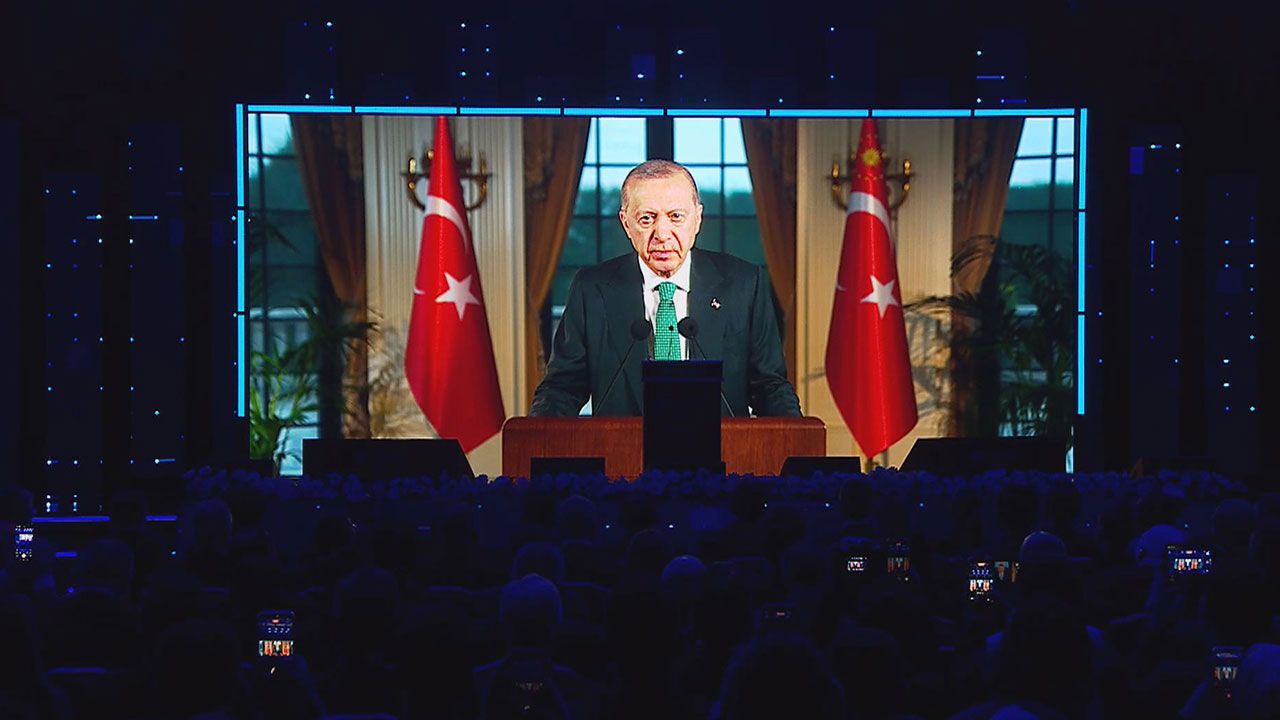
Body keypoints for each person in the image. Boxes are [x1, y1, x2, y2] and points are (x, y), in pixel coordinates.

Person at [531, 159, 801, 417]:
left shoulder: (744, 285)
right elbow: (562, 389)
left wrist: (798, 440)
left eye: (676, 216)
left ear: (697, 219)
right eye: (647, 219)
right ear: (626, 223)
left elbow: (770, 387)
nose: (662, 234)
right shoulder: (591, 289)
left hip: (722, 448)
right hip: (622, 447)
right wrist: (535, 437)